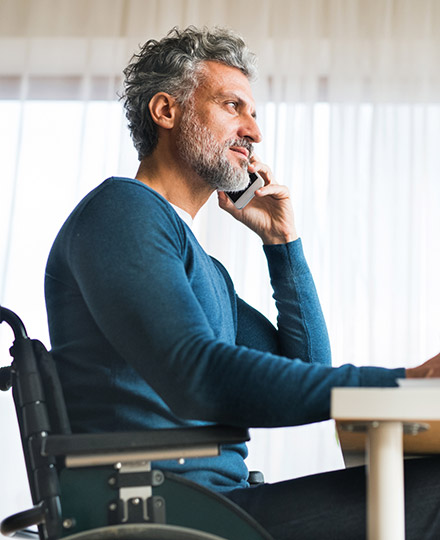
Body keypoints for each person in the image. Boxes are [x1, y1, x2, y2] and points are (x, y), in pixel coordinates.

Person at [45, 26, 440, 539]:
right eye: (234, 106)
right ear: (166, 112)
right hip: (161, 512)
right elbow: (197, 376)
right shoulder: (121, 213)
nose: (254, 131)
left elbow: (304, 369)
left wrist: (283, 245)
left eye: (254, 114)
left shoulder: (201, 266)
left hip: (213, 505)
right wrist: (404, 383)